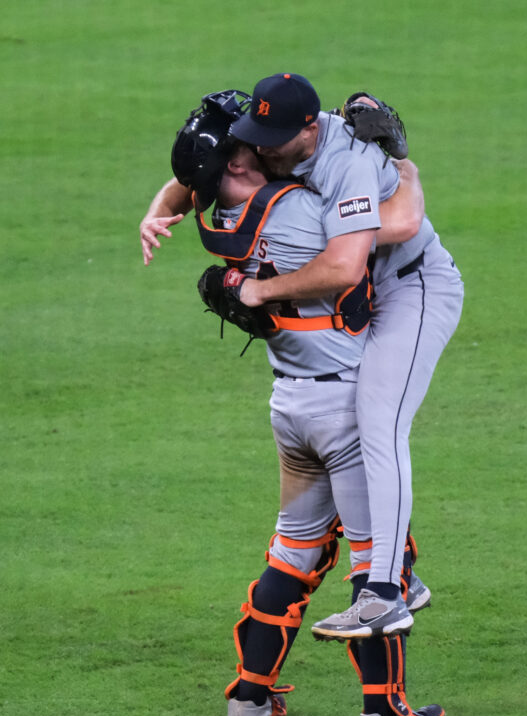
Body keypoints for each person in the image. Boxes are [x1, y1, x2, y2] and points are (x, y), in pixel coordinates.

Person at [140, 74, 462, 639]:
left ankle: (385, 593)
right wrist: (160, 207)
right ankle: (398, 578)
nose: (260, 148)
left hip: (412, 288)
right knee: (361, 427)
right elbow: (205, 167)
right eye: (254, 136)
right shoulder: (275, 144)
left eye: (271, 138)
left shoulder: (347, 162)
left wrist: (404, 168)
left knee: (378, 424)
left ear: (308, 129)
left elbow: (367, 248)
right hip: (364, 293)